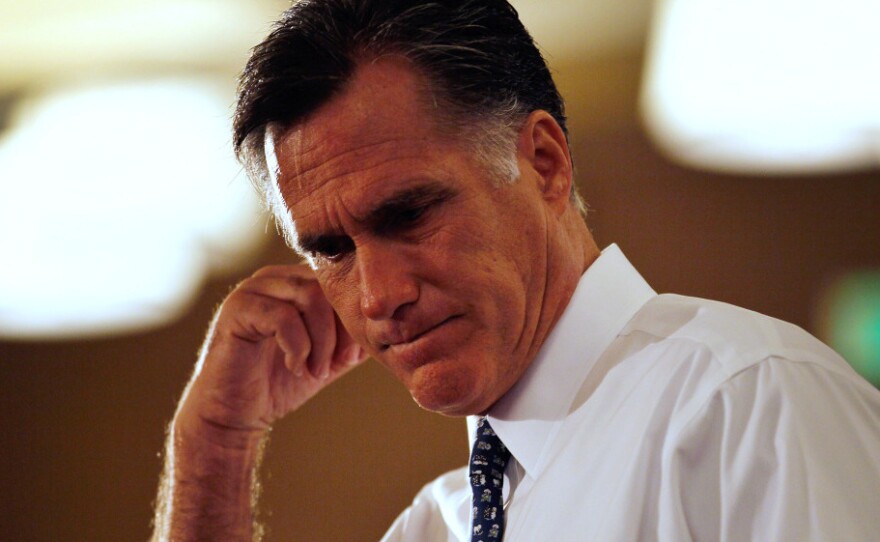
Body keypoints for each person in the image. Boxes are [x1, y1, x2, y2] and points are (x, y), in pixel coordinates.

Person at [151, 1, 880, 540]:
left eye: (409, 213)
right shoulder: (434, 527)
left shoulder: (748, 402)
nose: (379, 296)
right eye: (332, 251)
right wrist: (213, 444)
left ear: (544, 163)